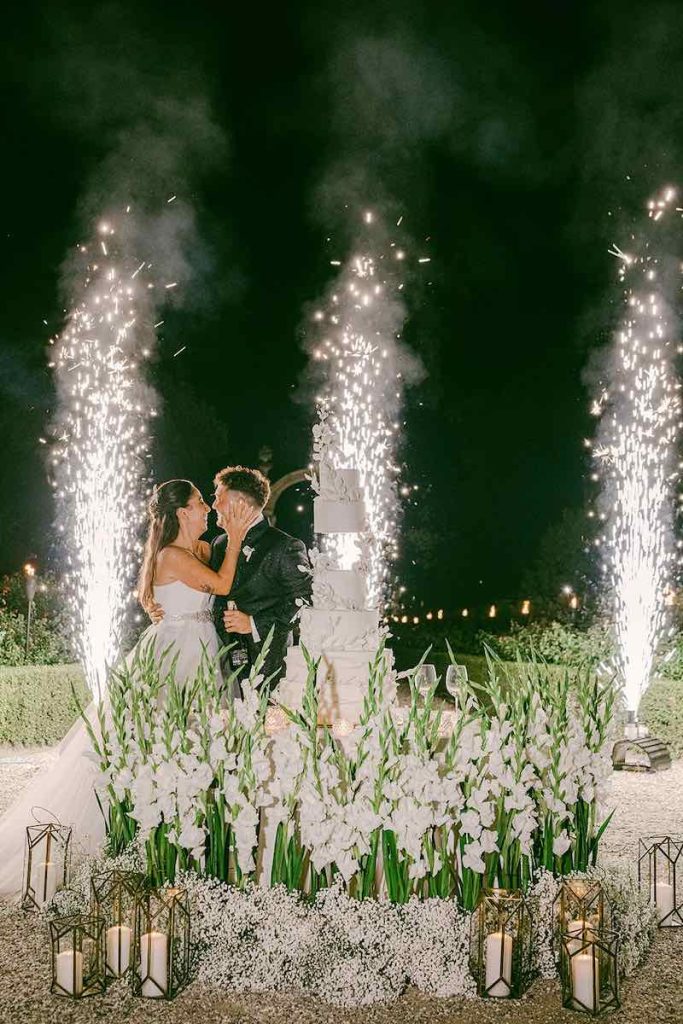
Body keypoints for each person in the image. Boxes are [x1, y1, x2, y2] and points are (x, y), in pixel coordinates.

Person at [0, 479, 253, 898]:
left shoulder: (195, 551)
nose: (207, 507)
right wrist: (239, 533)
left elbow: (196, 576)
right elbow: (221, 586)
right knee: (162, 738)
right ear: (181, 513)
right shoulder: (171, 555)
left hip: (201, 649)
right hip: (178, 654)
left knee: (194, 741)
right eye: (199, 503)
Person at [148, 466, 312, 689]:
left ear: (240, 504)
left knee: (269, 723)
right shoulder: (219, 544)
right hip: (216, 660)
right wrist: (160, 606)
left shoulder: (285, 546)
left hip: (266, 665)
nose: (213, 506)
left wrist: (254, 623)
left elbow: (306, 602)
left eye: (218, 498)